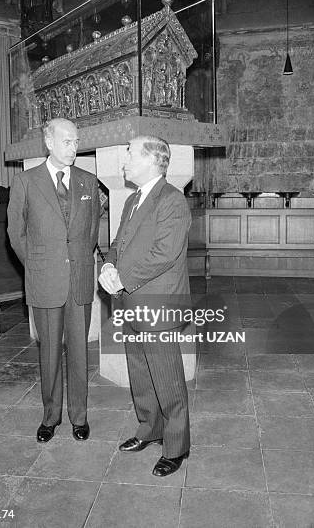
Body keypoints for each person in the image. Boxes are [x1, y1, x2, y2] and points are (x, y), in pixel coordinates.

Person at [98, 135, 192, 477]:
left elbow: (164, 254)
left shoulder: (172, 200)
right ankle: (149, 429)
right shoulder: (133, 199)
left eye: (130, 154)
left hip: (159, 304)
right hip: (131, 301)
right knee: (140, 372)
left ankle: (177, 447)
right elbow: (118, 244)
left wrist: (121, 277)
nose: (124, 161)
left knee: (167, 379)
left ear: (153, 160)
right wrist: (108, 266)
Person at [7, 118, 100, 443]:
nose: (73, 147)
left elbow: (91, 231)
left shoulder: (88, 182)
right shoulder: (26, 181)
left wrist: (78, 261)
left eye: (76, 141)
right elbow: (15, 234)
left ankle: (79, 416)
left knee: (79, 352)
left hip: (79, 280)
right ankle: (50, 417)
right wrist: (37, 265)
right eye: (66, 141)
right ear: (49, 143)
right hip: (45, 279)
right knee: (49, 353)